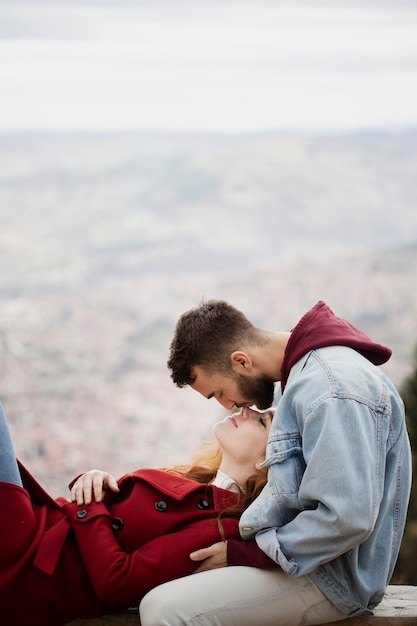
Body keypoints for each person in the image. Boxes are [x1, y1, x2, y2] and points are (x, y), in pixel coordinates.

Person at [139, 299, 412, 626]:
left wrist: (243, 554)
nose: (229, 406)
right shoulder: (304, 379)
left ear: (241, 361)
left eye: (219, 393)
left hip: (330, 578)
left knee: (164, 610)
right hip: (304, 564)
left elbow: (346, 517)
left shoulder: (329, 388)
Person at [0, 400, 274, 626]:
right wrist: (96, 481)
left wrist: (89, 505)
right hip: (35, 534)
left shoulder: (218, 526)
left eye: (262, 421)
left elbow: (117, 580)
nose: (248, 409)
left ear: (268, 460)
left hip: (28, 563)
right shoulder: (198, 482)